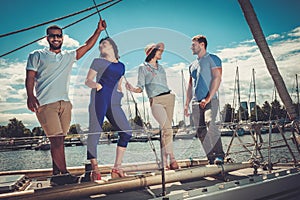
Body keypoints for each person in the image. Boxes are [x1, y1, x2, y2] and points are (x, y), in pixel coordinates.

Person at [25, 19, 107, 185]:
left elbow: (87, 46)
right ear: (47, 38)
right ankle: (64, 174)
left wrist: (98, 31)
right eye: (53, 36)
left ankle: (56, 177)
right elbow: (30, 77)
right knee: (55, 140)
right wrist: (30, 96)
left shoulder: (68, 57)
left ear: (62, 38)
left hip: (65, 104)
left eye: (59, 36)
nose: (56, 38)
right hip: (46, 104)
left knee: (60, 141)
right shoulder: (37, 55)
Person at [126, 42, 179, 170]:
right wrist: (132, 89)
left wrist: (158, 46)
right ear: (152, 52)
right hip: (156, 101)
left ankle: (164, 162)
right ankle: (172, 159)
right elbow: (140, 87)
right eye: (158, 51)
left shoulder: (161, 67)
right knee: (168, 129)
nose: (161, 53)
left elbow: (163, 45)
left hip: (169, 98)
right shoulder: (142, 68)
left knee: (165, 131)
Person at [85, 37, 132, 181]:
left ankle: (117, 167)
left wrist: (120, 92)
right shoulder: (98, 62)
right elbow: (88, 80)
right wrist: (97, 86)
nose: (101, 47)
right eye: (99, 46)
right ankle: (95, 170)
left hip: (114, 101)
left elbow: (119, 83)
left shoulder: (122, 66)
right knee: (95, 132)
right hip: (99, 98)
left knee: (126, 132)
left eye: (103, 44)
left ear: (112, 46)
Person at [184, 35, 225, 165]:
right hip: (196, 103)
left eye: (193, 44)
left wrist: (207, 99)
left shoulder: (214, 59)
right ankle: (211, 158)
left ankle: (219, 155)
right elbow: (190, 85)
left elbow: (217, 79)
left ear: (202, 45)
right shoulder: (192, 65)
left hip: (210, 100)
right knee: (200, 131)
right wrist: (186, 104)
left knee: (210, 122)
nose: (191, 47)